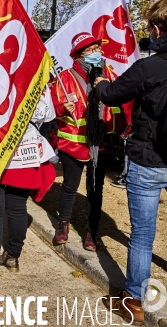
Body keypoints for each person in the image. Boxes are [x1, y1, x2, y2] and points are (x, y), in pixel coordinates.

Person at [96, 0, 167, 324]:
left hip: (147, 159)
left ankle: (134, 302)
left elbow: (112, 95)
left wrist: (100, 84)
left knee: (142, 235)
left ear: (156, 29)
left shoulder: (149, 67)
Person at [0, 86, 57, 284]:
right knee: (17, 207)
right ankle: (13, 257)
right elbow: (46, 115)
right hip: (25, 147)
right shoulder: (36, 76)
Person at [51, 32, 128, 251]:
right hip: (72, 145)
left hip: (100, 145)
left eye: (98, 49)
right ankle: (63, 224)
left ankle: (90, 232)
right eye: (92, 50)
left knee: (96, 190)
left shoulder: (110, 75)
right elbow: (52, 107)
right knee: (69, 187)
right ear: (80, 54)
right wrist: (61, 108)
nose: (97, 53)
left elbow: (120, 106)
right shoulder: (65, 78)